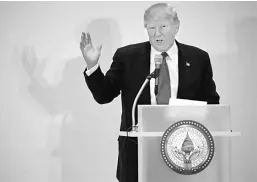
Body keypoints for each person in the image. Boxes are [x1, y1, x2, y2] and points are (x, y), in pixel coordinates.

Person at [80, 2, 220, 182]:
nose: (157, 33)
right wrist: (92, 66)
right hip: (137, 150)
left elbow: (211, 105)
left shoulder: (198, 58)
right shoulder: (127, 56)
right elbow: (104, 95)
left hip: (184, 151)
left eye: (163, 26)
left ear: (176, 27)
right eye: (151, 27)